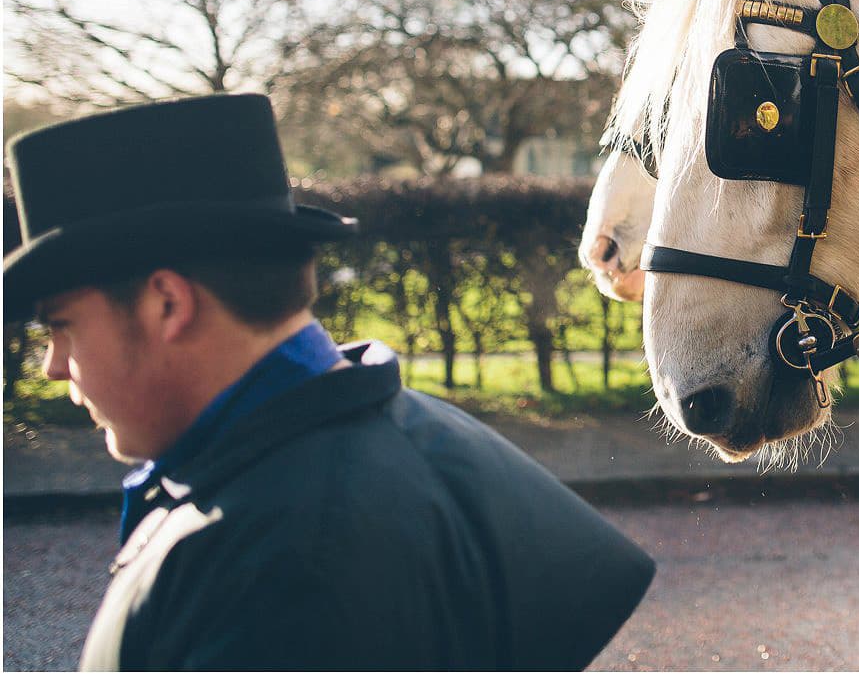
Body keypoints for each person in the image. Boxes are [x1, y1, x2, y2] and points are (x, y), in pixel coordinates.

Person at [4, 94, 654, 671]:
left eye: (61, 327)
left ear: (168, 304)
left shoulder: (283, 562)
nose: (54, 365)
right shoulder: (427, 432)